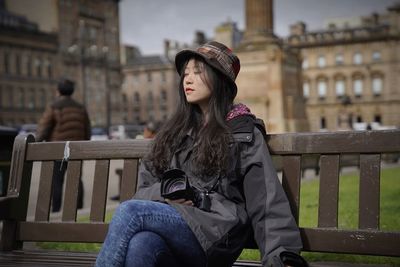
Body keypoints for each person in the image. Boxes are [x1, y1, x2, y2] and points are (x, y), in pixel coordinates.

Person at [96, 42, 306, 267]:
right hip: (173, 228)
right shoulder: (173, 133)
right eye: (185, 73)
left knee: (130, 212)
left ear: (220, 79)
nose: (187, 79)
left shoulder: (241, 133)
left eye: (197, 72)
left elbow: (266, 201)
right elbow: (143, 191)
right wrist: (165, 194)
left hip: (217, 234)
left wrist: (281, 257)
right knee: (142, 244)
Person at [36, 78, 91, 212]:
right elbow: (87, 130)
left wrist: (37, 142)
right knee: (76, 179)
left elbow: (44, 128)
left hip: (58, 149)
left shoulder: (54, 106)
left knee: (57, 181)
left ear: (58, 91)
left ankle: (56, 209)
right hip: (77, 150)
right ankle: (78, 208)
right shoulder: (80, 107)